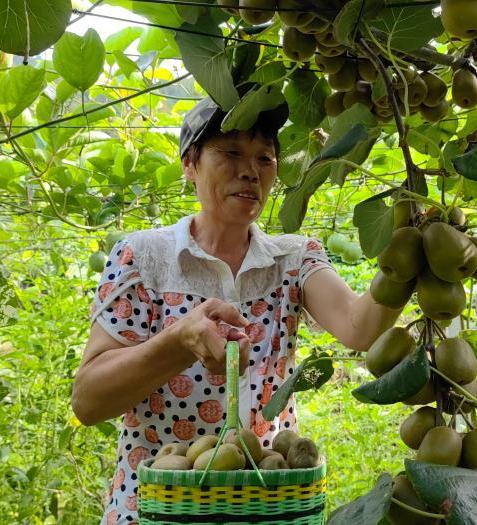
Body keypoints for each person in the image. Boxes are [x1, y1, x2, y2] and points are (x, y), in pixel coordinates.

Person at [71, 91, 404, 525]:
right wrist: (180, 341)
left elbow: (360, 328)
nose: (249, 171)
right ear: (190, 164)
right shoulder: (143, 258)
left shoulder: (294, 259)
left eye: (264, 159)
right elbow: (88, 401)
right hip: (159, 507)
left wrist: (408, 253)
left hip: (265, 503)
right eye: (230, 153)